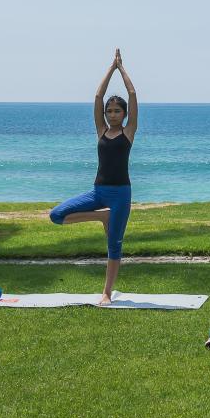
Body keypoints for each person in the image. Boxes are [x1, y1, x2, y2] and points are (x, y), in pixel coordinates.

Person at [49, 49, 138, 304]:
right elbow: (98, 96)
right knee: (56, 215)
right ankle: (102, 216)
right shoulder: (101, 131)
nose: (111, 115)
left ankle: (106, 293)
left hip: (121, 194)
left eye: (116, 111)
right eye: (109, 111)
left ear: (125, 114)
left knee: (114, 246)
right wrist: (110, 68)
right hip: (98, 192)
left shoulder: (128, 133)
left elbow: (132, 95)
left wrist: (122, 69)